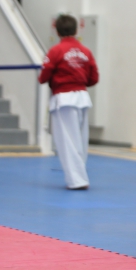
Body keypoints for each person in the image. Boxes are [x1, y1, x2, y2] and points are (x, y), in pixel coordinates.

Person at [38, 15, 99, 190]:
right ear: (76, 30)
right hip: (82, 97)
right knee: (80, 140)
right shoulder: (86, 51)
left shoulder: (55, 51)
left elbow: (43, 76)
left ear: (57, 31)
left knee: (67, 142)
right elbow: (94, 77)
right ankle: (80, 176)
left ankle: (77, 180)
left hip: (64, 99)